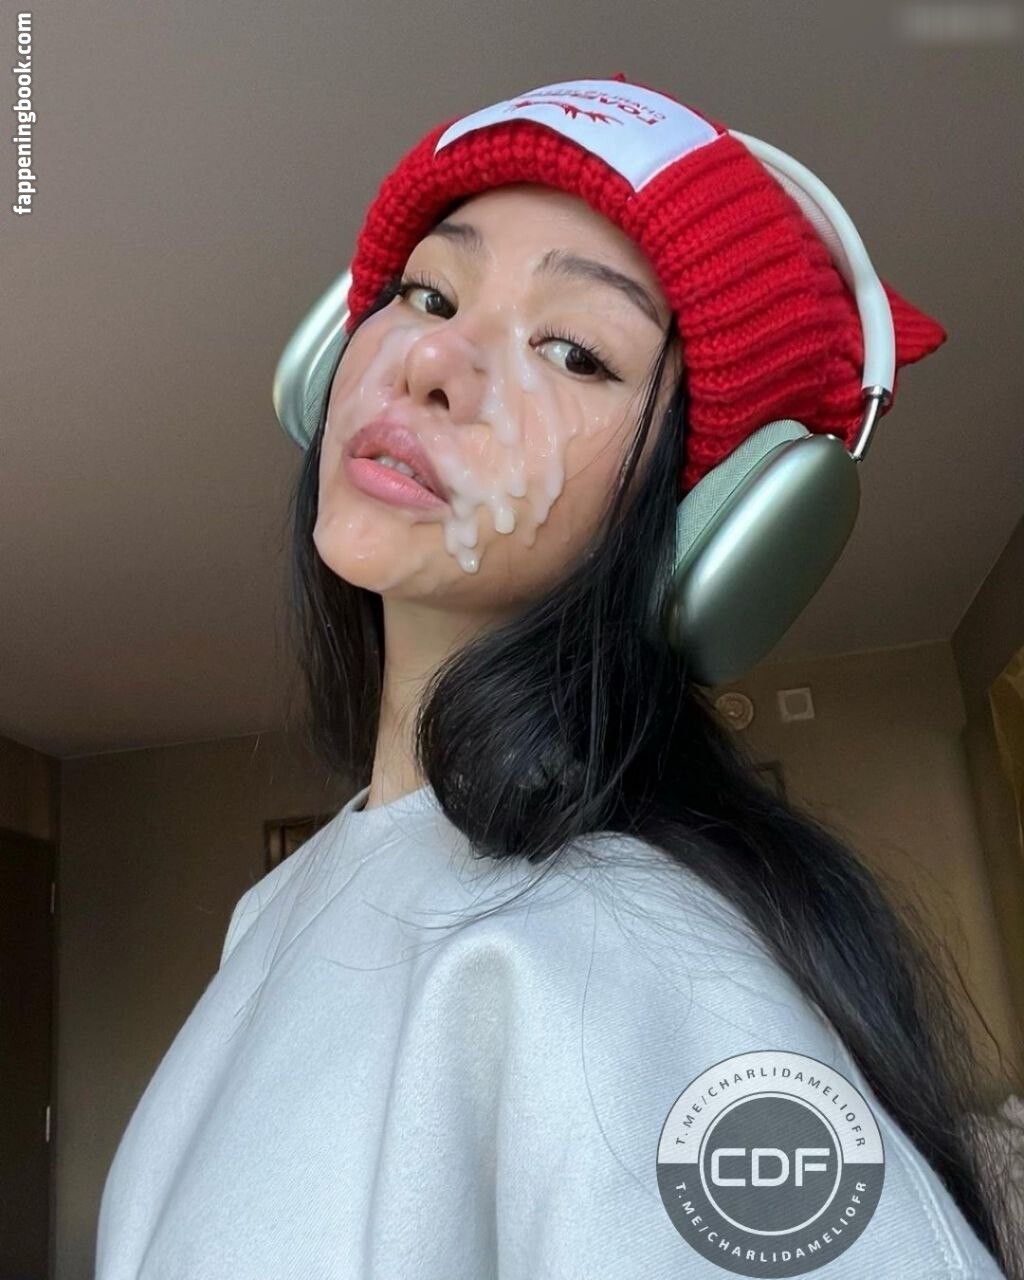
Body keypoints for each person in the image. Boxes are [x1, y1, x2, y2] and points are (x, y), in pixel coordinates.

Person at [95, 76, 1021, 1278]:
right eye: (429, 292)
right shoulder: (276, 908)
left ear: (713, 524)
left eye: (574, 351)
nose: (433, 358)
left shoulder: (639, 957)